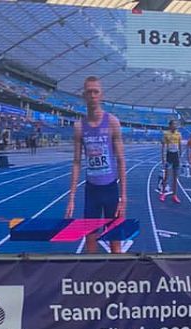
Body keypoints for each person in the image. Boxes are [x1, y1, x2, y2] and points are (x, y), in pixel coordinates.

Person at [65, 76, 127, 254]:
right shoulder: (79, 126)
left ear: (101, 95)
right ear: (84, 95)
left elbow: (121, 160)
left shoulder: (112, 122)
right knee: (90, 240)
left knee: (115, 242)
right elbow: (76, 162)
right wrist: (71, 197)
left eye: (95, 92)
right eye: (89, 92)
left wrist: (123, 197)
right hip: (91, 191)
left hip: (110, 190)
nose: (92, 95)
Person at [160, 119, 183, 203]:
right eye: (173, 124)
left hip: (176, 156)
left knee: (175, 177)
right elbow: (163, 146)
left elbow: (180, 145)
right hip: (169, 155)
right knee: (166, 176)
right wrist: (163, 157)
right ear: (170, 126)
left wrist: (180, 156)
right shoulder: (166, 134)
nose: (175, 126)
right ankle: (163, 193)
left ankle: (174, 195)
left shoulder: (179, 134)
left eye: (176, 124)